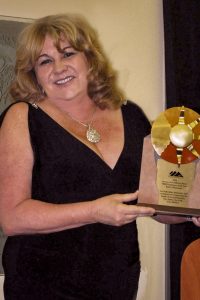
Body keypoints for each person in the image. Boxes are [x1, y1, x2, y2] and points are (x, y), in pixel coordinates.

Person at [0, 13, 155, 300]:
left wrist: (189, 210)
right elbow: (12, 217)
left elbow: (155, 200)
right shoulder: (22, 117)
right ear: (34, 73)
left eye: (68, 54)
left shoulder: (131, 116)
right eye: (45, 61)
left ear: (90, 60)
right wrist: (94, 211)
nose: (59, 68)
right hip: (41, 285)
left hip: (117, 280)